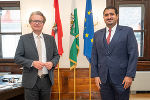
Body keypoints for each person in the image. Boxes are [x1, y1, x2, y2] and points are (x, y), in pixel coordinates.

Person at [91, 6, 138, 100]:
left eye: (112, 14)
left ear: (117, 16)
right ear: (103, 17)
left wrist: (129, 75)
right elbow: (94, 56)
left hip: (122, 79)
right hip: (103, 79)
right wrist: (95, 75)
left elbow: (133, 54)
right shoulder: (97, 34)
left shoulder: (127, 31)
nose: (109, 17)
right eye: (106, 15)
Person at [15, 11, 60, 100]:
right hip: (30, 81)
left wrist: (52, 63)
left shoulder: (50, 39)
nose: (37, 23)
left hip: (47, 80)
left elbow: (56, 56)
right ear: (30, 23)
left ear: (43, 24)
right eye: (34, 21)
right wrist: (32, 63)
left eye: (40, 21)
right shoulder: (23, 39)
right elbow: (17, 58)